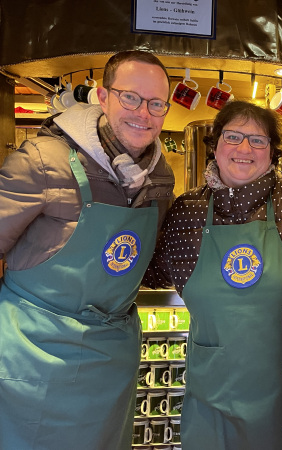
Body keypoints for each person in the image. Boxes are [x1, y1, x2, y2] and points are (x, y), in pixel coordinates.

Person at [143, 100, 282, 450]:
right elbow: (154, 273)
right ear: (216, 145)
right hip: (213, 390)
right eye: (233, 136)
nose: (244, 149)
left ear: (272, 152)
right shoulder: (188, 210)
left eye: (258, 141)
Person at [0, 50, 175, 449]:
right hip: (33, 354)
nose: (143, 113)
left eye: (156, 103)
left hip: (109, 360)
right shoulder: (45, 160)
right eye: (130, 97)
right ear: (102, 95)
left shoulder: (160, 175)